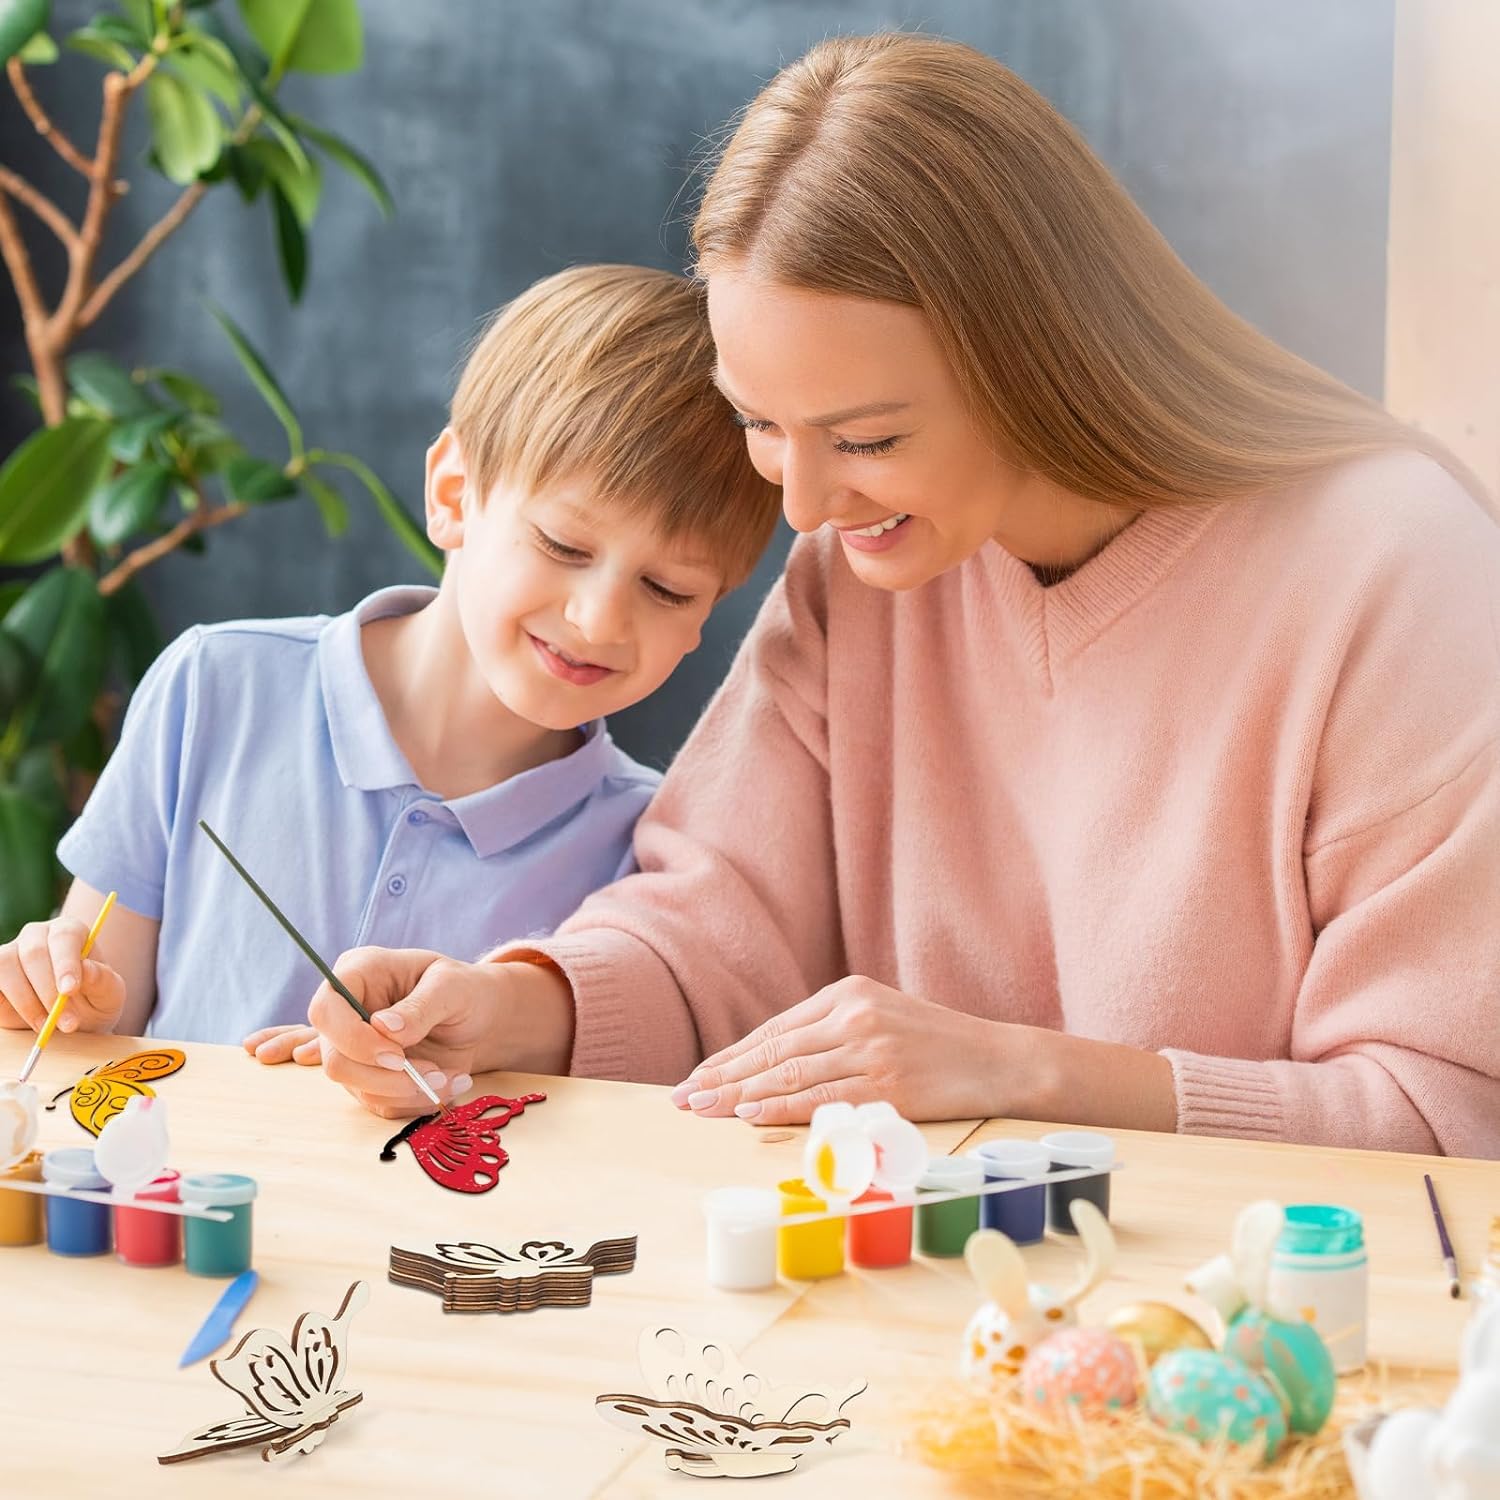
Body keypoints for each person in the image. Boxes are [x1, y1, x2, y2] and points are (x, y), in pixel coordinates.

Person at [307, 35, 1500, 1156]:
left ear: (1039, 355)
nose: (803, 508)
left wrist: (1023, 1076)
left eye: (865, 437)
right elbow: (715, 931)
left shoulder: (1395, 574)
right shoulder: (873, 568)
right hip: (919, 1318)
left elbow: (1444, 1114)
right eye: (760, 424)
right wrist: (516, 1004)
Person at [0, 264, 779, 1078]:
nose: (600, 619)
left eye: (667, 588)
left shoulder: (647, 854)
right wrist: (53, 992)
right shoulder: (212, 688)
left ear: (707, 615)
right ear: (453, 494)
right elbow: (93, 1019)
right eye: (563, 546)